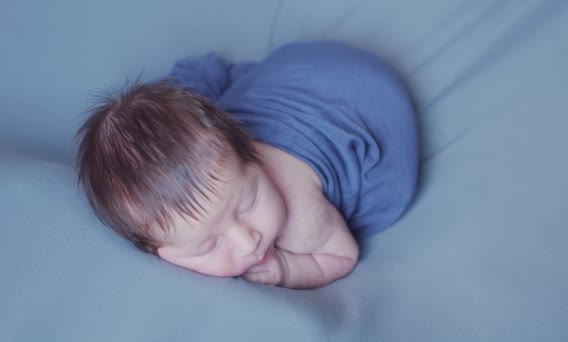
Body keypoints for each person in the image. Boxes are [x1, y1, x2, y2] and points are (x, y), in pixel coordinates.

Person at [75, 40, 419, 289]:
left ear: (251, 155)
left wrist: (288, 268)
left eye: (248, 202)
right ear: (161, 253)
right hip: (303, 65)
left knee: (384, 197)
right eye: (209, 245)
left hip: (371, 103)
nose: (248, 241)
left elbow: (343, 256)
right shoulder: (220, 158)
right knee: (195, 117)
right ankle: (196, 83)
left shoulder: (303, 217)